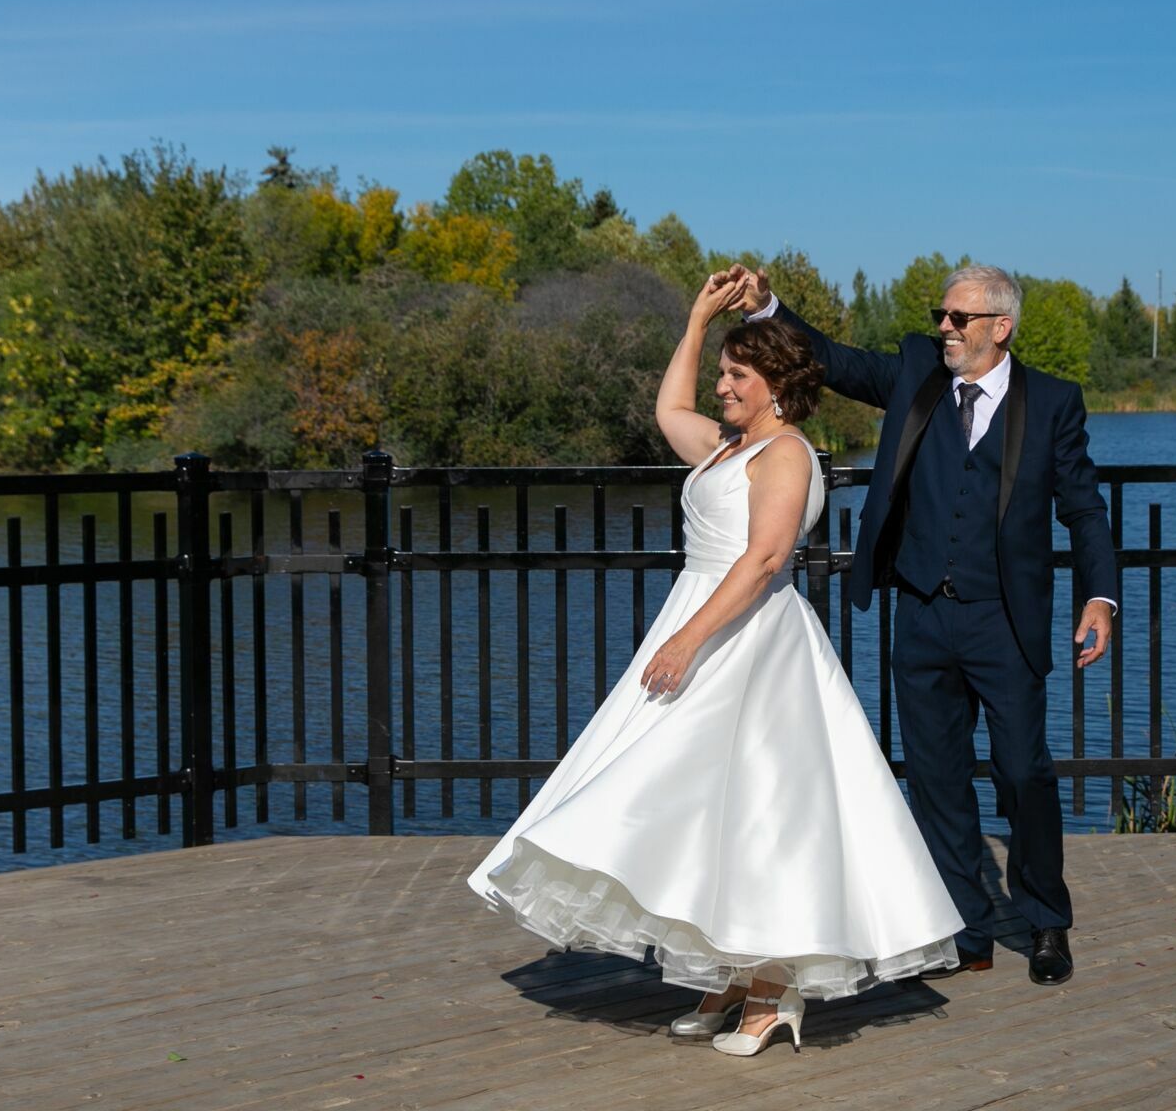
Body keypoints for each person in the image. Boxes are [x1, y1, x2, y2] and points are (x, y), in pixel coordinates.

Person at [468, 272, 963, 1057]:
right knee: (700, 809)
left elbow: (766, 558)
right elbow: (668, 411)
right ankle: (731, 976)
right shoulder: (726, 446)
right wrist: (696, 320)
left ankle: (774, 991)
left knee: (761, 817)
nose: (722, 386)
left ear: (776, 386)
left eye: (738, 375)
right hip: (702, 620)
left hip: (746, 644)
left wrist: (688, 639)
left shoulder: (786, 455)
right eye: (723, 374)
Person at [726, 262, 1117, 987]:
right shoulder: (916, 372)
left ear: (1000, 328)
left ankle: (1045, 922)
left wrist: (1101, 599)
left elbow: (1085, 510)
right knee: (935, 778)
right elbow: (830, 360)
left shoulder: (1054, 403)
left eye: (959, 319)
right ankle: (964, 928)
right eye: (942, 315)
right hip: (923, 615)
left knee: (1024, 772)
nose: (944, 327)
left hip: (1006, 621)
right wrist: (767, 309)